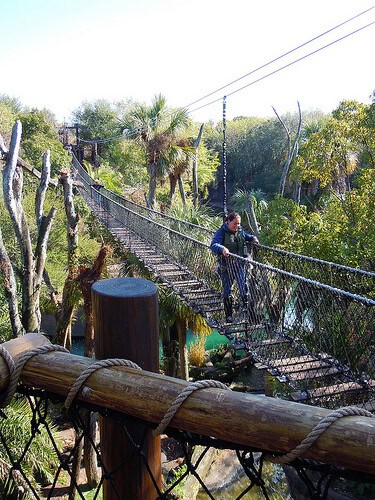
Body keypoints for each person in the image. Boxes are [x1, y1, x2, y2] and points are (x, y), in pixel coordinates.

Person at [210, 212, 259, 323]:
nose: (237, 226)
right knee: (228, 291)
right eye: (235, 224)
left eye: (239, 224)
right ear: (228, 222)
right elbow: (213, 245)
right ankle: (229, 316)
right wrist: (222, 249)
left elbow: (248, 236)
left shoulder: (240, 231)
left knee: (244, 289)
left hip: (240, 266)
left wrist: (253, 238)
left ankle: (249, 315)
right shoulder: (221, 232)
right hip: (226, 268)